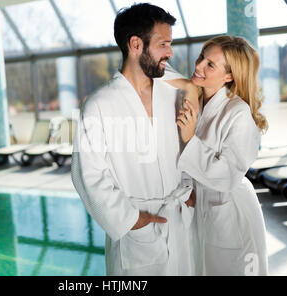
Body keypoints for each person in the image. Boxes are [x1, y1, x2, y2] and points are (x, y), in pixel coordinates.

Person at [71, 3, 198, 276]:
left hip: (177, 221)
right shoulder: (99, 105)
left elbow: (185, 145)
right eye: (163, 44)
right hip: (137, 231)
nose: (170, 53)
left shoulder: (171, 95)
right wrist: (130, 220)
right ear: (136, 44)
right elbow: (87, 175)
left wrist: (189, 187)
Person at [176, 35, 268, 276]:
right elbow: (184, 163)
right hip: (204, 211)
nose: (198, 66)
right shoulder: (197, 102)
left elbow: (228, 175)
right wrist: (188, 188)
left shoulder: (238, 113)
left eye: (210, 65)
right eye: (201, 58)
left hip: (232, 213)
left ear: (229, 76)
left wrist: (189, 140)